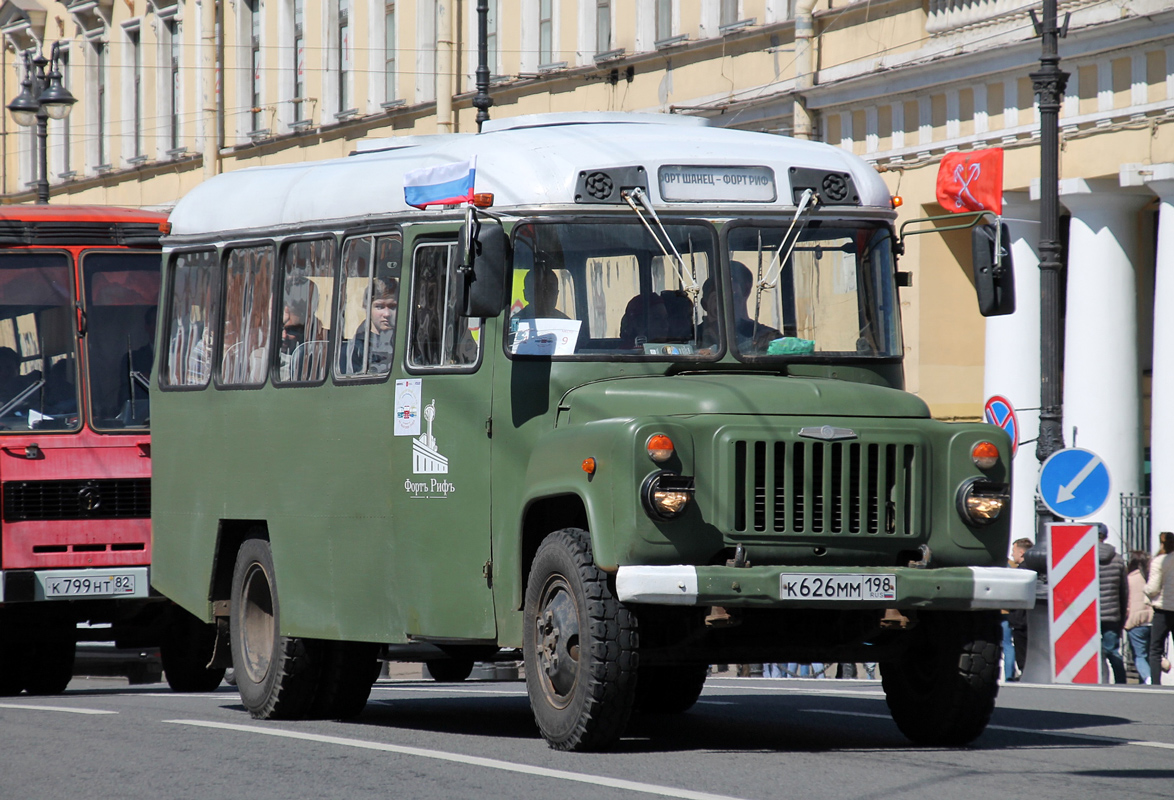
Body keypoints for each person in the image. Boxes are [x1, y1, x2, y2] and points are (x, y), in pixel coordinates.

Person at [1096, 524, 1128, 683]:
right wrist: (1121, 615)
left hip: (1089, 614)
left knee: (1091, 652)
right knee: (1113, 650)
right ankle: (1121, 681)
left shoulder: (1084, 558)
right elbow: (1124, 591)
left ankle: (1100, 680)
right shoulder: (1117, 559)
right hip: (1112, 613)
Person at [344, 278, 396, 376]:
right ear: (367, 308)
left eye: (392, 306)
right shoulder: (354, 349)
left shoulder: (408, 344)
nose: (387, 313)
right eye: (379, 307)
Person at [1145, 531, 1174, 685]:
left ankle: (1156, 683)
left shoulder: (1159, 561)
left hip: (1162, 610)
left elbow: (1153, 588)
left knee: (1155, 648)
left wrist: (1145, 591)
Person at [1002, 537, 1032, 681]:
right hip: (1026, 617)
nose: (1012, 554)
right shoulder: (1031, 567)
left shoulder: (1020, 570)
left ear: (1021, 552)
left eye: (1014, 551)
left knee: (1014, 645)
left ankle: (1021, 673)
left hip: (1018, 617)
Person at [1126, 550, 1154, 684]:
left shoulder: (1130, 579)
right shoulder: (1151, 577)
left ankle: (1148, 679)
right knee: (1151, 653)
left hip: (1136, 622)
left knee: (1140, 655)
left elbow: (1127, 601)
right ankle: (1152, 677)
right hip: (1152, 620)